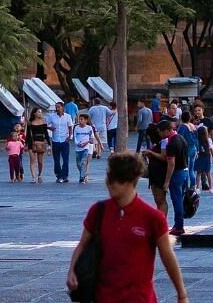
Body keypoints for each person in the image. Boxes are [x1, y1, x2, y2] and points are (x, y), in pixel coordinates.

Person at [67, 151, 188, 303]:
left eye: (116, 179)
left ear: (131, 181)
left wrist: (181, 294)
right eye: (109, 177)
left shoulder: (152, 217)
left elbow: (167, 257)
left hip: (139, 298)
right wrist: (72, 270)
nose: (110, 183)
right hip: (104, 297)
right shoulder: (98, 212)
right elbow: (82, 244)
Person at [47, 101, 75, 184]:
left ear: (63, 108)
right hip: (55, 140)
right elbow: (46, 124)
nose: (57, 108)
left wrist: (69, 137)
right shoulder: (52, 116)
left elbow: (70, 127)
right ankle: (58, 175)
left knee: (65, 160)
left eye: (58, 107)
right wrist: (50, 128)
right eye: (56, 107)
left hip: (64, 140)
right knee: (56, 160)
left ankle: (64, 176)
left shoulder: (67, 117)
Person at [26, 108, 51, 183]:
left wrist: (49, 144)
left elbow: (46, 133)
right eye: (39, 112)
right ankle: (33, 177)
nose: (40, 113)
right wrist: (25, 144)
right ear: (34, 113)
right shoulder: (30, 122)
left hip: (41, 141)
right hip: (32, 141)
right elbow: (27, 134)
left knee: (40, 161)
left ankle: (39, 175)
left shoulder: (43, 121)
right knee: (32, 161)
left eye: (41, 112)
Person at [75, 112, 100, 183]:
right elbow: (75, 137)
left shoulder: (89, 128)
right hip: (78, 148)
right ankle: (83, 174)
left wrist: (85, 143)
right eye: (79, 119)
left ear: (86, 120)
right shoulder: (76, 128)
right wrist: (77, 143)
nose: (80, 121)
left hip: (86, 148)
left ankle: (82, 178)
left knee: (84, 162)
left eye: (81, 119)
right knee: (78, 163)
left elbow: (92, 138)